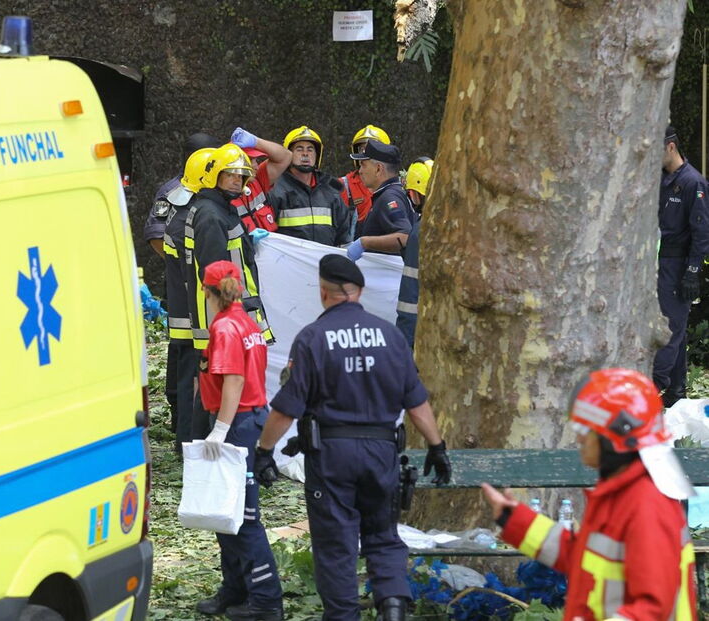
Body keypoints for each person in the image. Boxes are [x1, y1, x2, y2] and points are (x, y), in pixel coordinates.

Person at [252, 254, 452, 621]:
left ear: (325, 293)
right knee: (384, 535)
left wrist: (265, 451)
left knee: (336, 544)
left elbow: (285, 409)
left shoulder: (312, 338)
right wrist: (437, 447)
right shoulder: (391, 336)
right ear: (358, 291)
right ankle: (393, 609)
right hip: (382, 452)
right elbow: (417, 403)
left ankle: (344, 616)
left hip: (332, 457)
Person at [482, 368, 697, 620]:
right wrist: (515, 520)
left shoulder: (646, 504)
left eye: (585, 428)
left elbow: (650, 609)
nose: (579, 438)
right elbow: (583, 558)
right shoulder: (622, 491)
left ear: (615, 437)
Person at [195, 260, 284, 621]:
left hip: (236, 424)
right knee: (224, 512)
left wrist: (220, 428)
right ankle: (235, 587)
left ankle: (266, 599)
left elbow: (233, 380)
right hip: (248, 419)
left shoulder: (227, 327)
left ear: (207, 291)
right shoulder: (246, 321)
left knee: (244, 518)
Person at [185, 143, 274, 437]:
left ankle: (203, 442)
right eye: (231, 174)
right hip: (225, 312)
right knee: (218, 381)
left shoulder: (221, 209)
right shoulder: (211, 215)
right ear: (214, 176)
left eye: (242, 176)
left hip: (232, 310)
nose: (238, 180)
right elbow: (215, 271)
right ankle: (206, 441)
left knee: (216, 380)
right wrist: (230, 316)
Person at [653, 125, 709, 408]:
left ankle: (653, 389)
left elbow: (702, 233)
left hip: (677, 266)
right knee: (677, 326)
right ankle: (676, 394)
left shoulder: (692, 182)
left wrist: (692, 272)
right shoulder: (662, 179)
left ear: (671, 146)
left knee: (670, 328)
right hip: (660, 262)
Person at [162, 147, 215, 449]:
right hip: (195, 318)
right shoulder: (192, 222)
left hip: (184, 316)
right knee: (192, 386)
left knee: (187, 384)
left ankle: (186, 442)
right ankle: (188, 444)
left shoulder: (180, 215)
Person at [268, 126, 352, 246]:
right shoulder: (275, 189)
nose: (305, 154)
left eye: (310, 149)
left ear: (317, 155)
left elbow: (343, 236)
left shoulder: (330, 191)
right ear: (288, 155)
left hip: (324, 262)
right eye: (299, 149)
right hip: (288, 262)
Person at [346, 140, 414, 259]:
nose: (360, 171)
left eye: (363, 165)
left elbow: (404, 237)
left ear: (378, 169)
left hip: (390, 276)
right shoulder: (390, 193)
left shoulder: (389, 197)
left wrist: (365, 243)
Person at [394, 158, 433, 350]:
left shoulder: (420, 232)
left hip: (424, 335)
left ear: (415, 195)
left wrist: (402, 347)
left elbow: (409, 300)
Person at [229, 127, 292, 233]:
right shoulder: (223, 195)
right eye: (249, 160)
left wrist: (256, 141)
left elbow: (286, 156)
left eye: (255, 160)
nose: (256, 166)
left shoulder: (256, 180)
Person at [340, 125, 392, 237]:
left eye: (372, 149)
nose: (366, 153)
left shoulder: (397, 185)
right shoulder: (343, 185)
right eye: (362, 149)